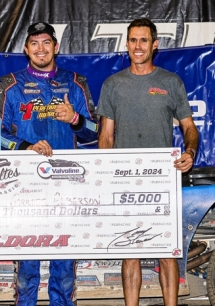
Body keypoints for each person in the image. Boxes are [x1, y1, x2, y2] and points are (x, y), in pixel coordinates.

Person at [0, 22, 98, 305]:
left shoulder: (76, 82)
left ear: (56, 47)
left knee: (64, 265)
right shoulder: (9, 84)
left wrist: (75, 119)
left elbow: (96, 133)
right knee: (27, 264)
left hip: (69, 183)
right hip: (24, 186)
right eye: (35, 43)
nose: (41, 48)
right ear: (26, 49)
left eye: (46, 42)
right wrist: (25, 147)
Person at [96, 18, 199, 306]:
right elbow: (106, 136)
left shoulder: (170, 82)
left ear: (154, 45)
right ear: (126, 44)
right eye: (132, 40)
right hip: (124, 179)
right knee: (131, 251)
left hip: (162, 179)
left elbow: (189, 128)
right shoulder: (113, 85)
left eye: (143, 40)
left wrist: (189, 152)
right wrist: (105, 177)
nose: (137, 46)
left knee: (167, 250)